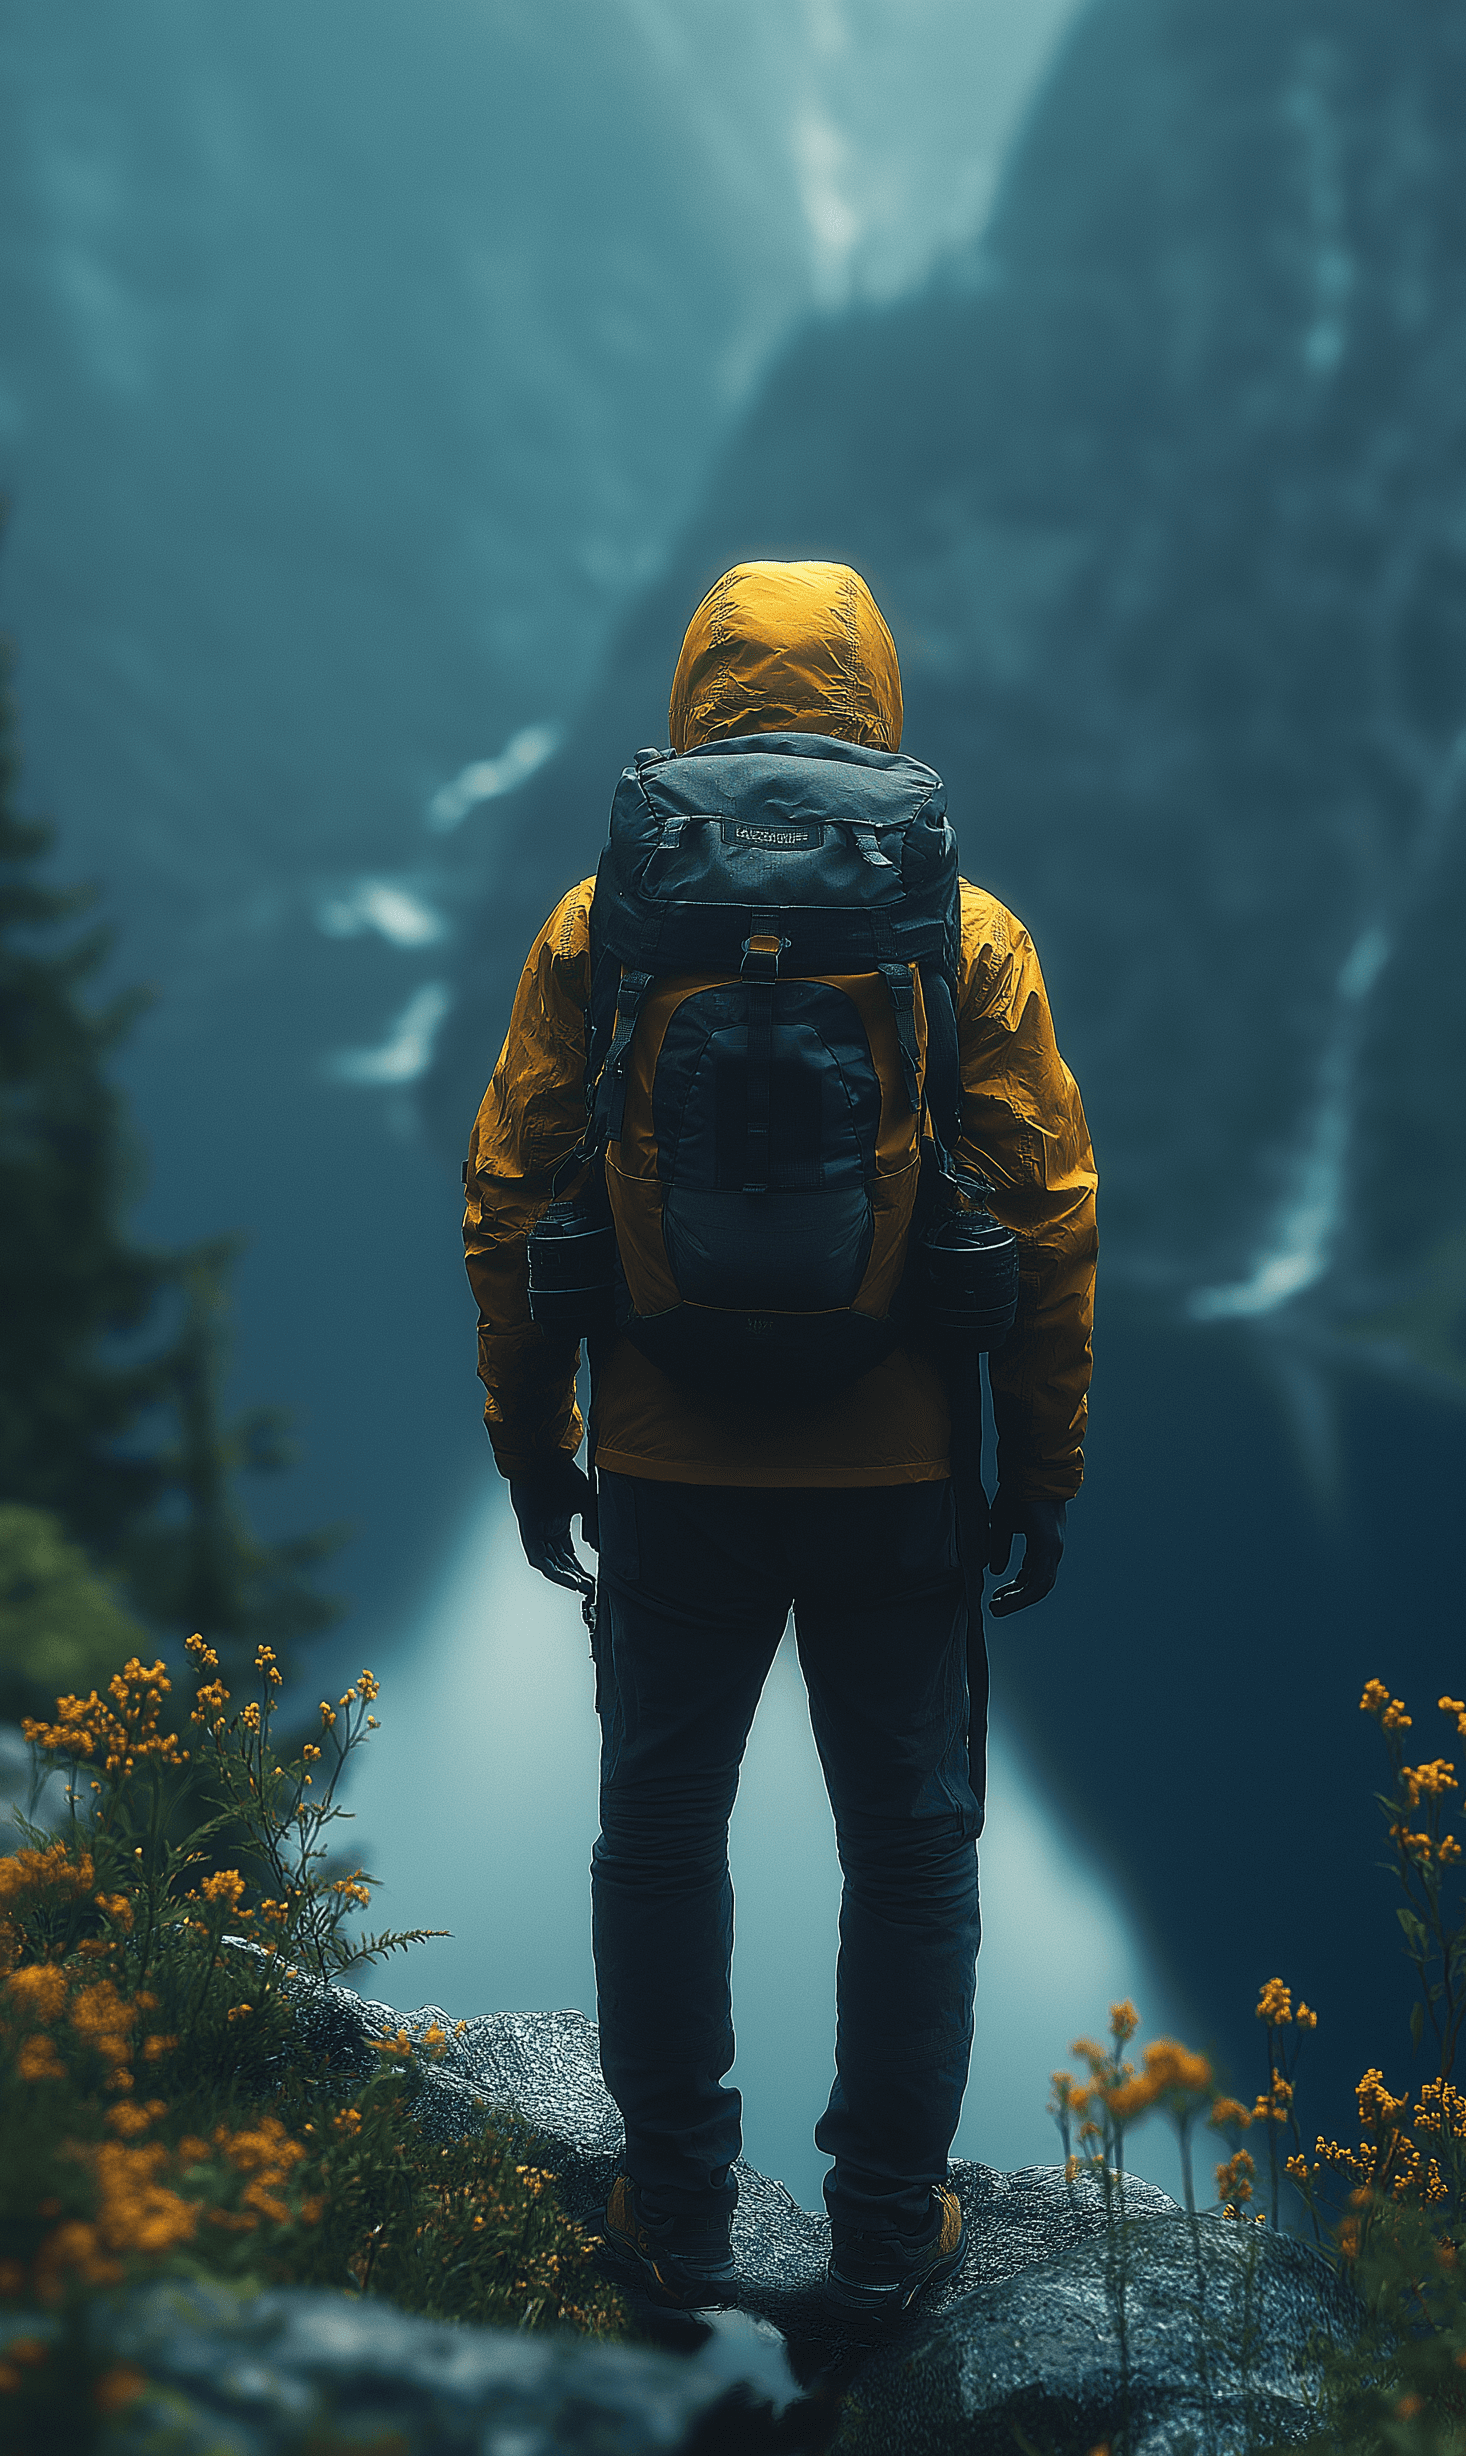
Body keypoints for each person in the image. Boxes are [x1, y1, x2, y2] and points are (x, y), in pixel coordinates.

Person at [462, 560, 1097, 2324]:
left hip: (667, 1465)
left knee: (661, 1828)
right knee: (908, 1850)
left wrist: (533, 1442)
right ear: (878, 694)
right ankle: (889, 2234)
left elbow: (510, 1192)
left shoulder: (607, 928)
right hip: (899, 1477)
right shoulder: (956, 934)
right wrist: (1037, 1474)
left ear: (697, 692)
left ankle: (676, 2216)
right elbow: (1048, 1218)